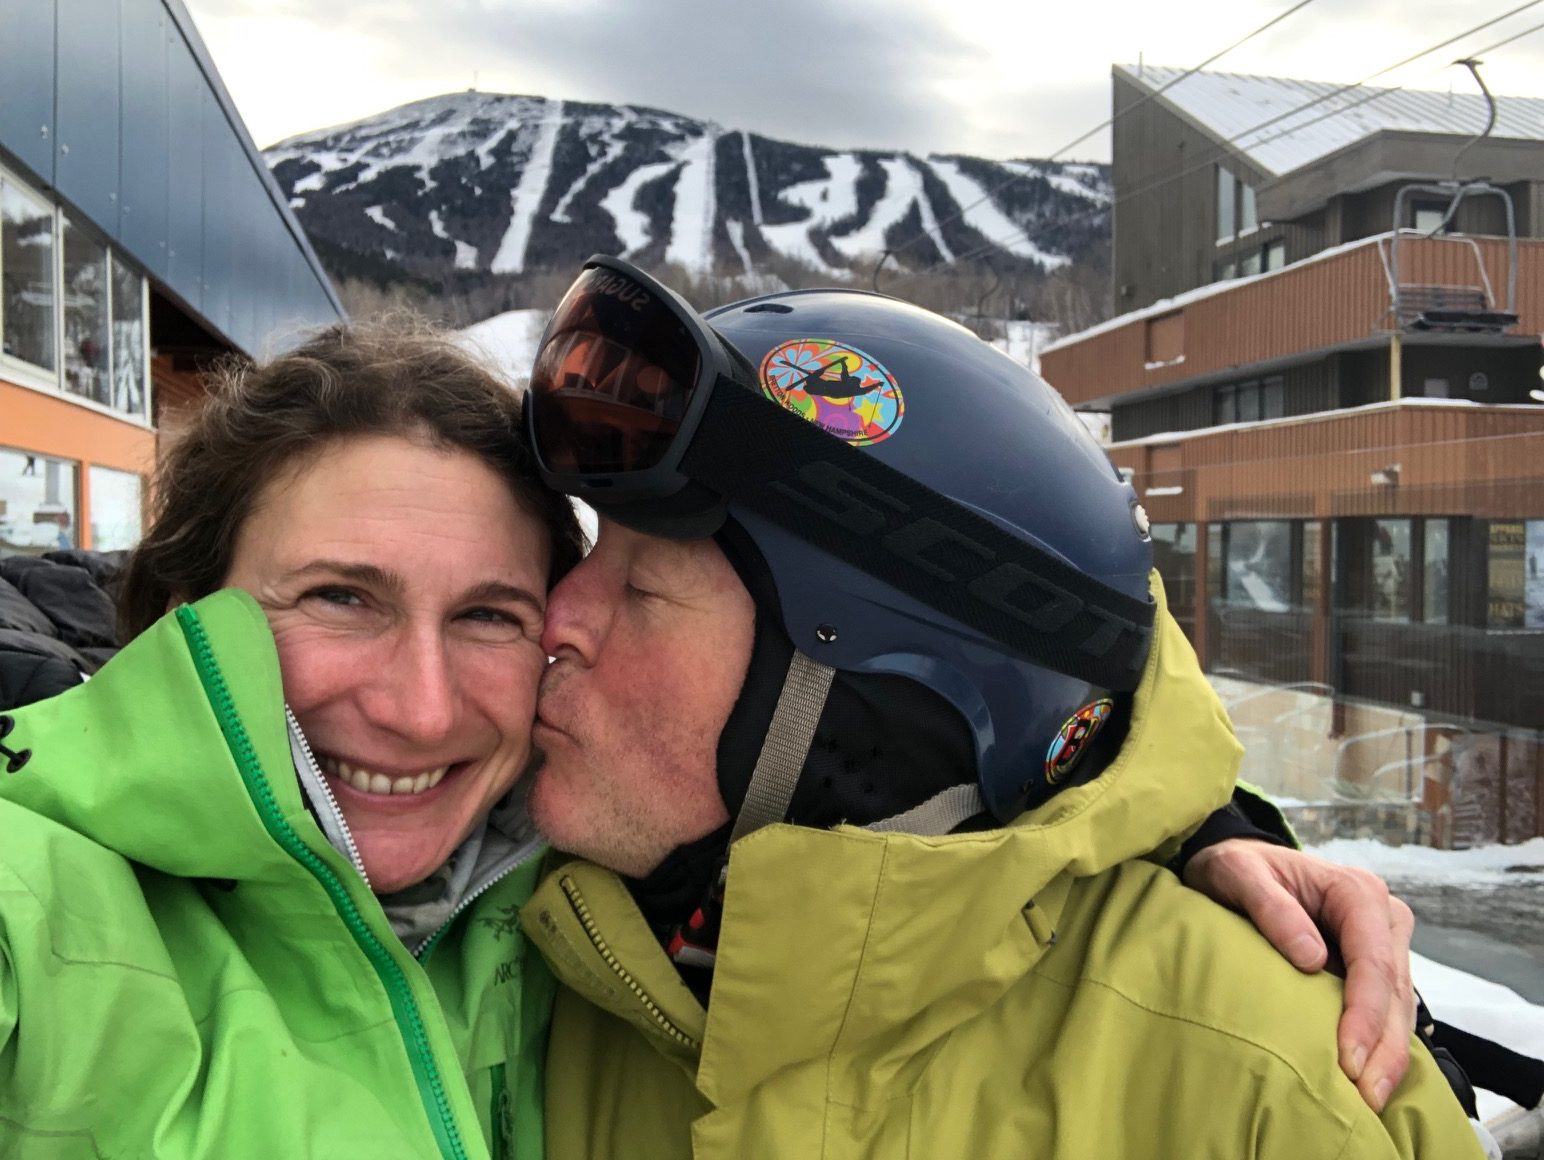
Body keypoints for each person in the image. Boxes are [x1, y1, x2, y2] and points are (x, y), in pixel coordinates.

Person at [514, 257, 1484, 1158]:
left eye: (641, 591)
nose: (554, 616)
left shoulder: (1268, 1091)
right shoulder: (504, 968)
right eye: (590, 554)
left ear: (869, 711)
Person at [0, 322, 583, 1158]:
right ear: (181, 613)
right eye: (340, 598)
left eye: (489, 615)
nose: (422, 710)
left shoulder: (581, 913)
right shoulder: (28, 894)